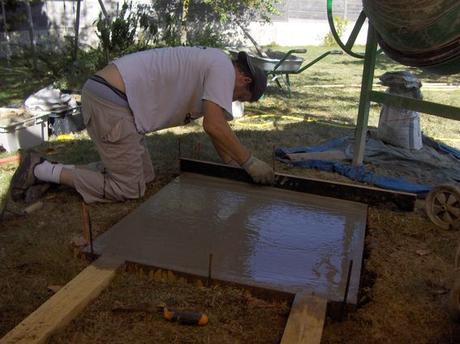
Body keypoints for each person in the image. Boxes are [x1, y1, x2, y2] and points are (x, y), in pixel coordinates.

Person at [11, 46, 274, 204]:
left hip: (117, 101)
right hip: (112, 101)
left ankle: (53, 169)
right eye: (240, 96)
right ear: (245, 79)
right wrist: (249, 163)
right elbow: (213, 126)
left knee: (144, 177)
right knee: (129, 188)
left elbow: (219, 133)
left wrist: (231, 166)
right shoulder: (223, 69)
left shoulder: (217, 64)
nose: (234, 99)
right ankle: (39, 171)